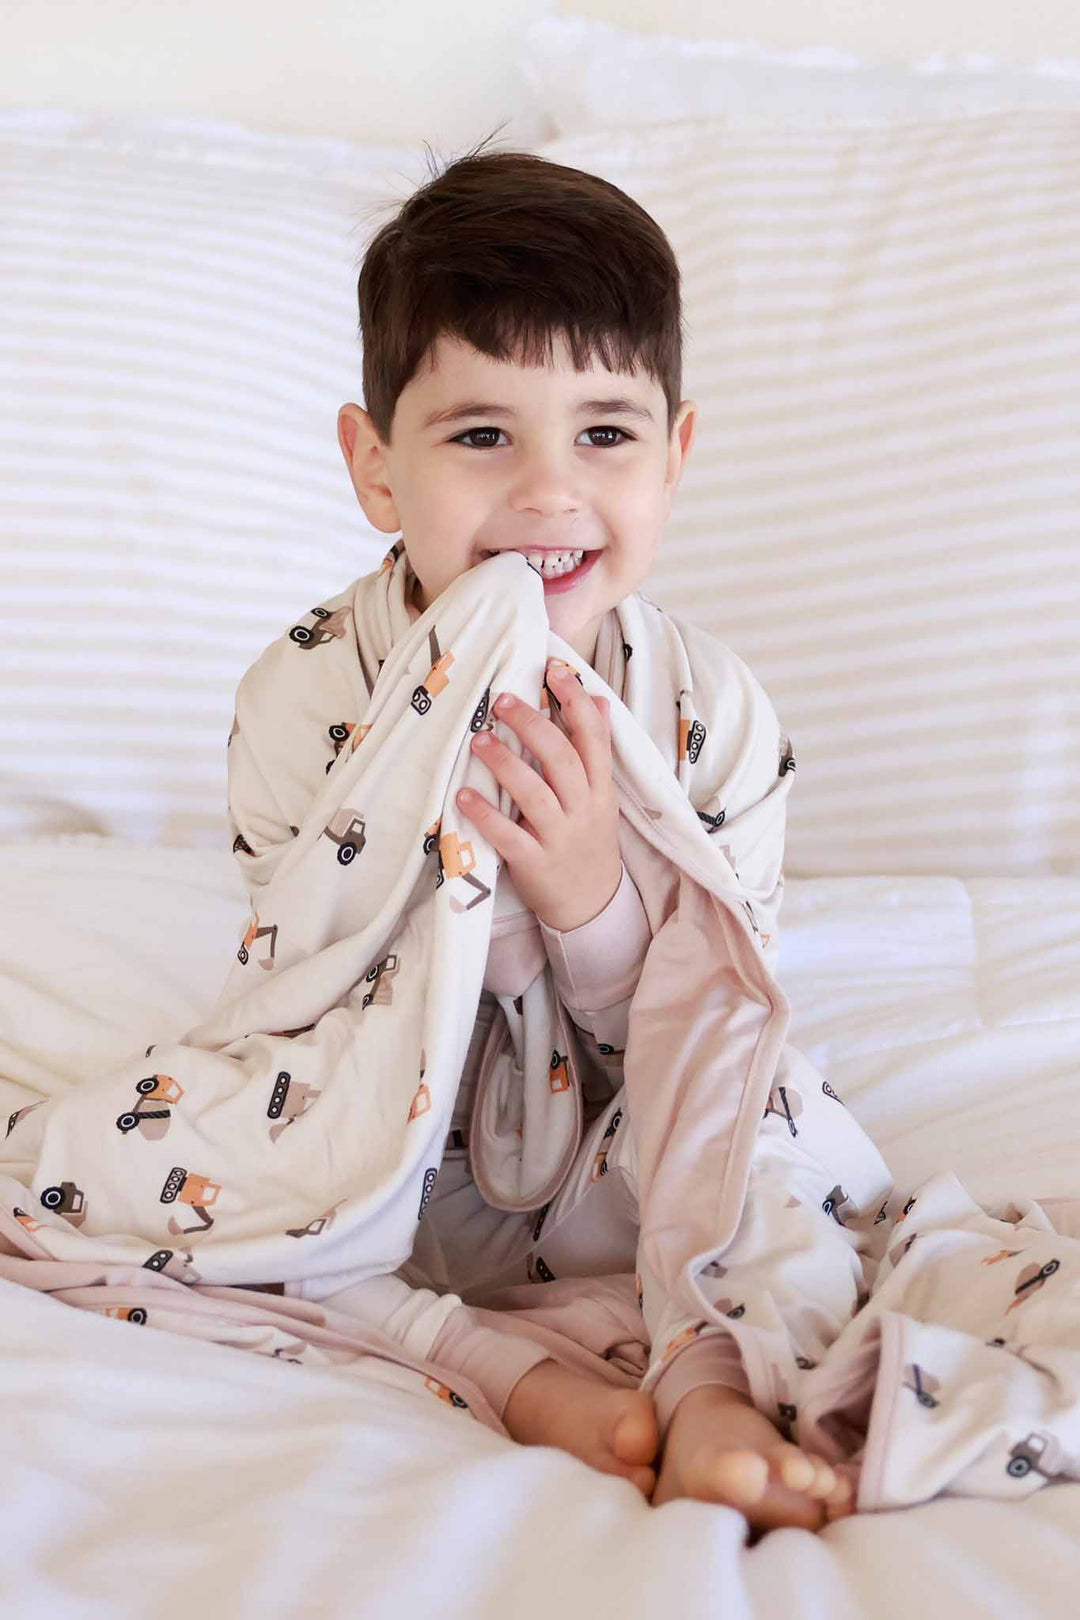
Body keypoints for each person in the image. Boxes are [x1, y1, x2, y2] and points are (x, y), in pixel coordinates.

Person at [314, 124, 855, 1536]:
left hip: (632, 1153)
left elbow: (712, 1017)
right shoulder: (306, 699)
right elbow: (305, 982)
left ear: (673, 457)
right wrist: (472, 917)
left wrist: (593, 902)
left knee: (787, 1134)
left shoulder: (713, 713)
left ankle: (710, 1379)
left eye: (604, 435)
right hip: (409, 1156)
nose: (550, 494)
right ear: (378, 468)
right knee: (160, 1199)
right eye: (482, 434)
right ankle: (498, 1367)